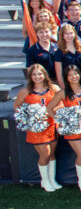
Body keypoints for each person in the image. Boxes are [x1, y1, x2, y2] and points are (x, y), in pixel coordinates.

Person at [47, 64, 81, 193]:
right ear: (66, 78)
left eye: (76, 73)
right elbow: (49, 109)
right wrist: (62, 121)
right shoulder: (63, 93)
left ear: (80, 74)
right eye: (70, 75)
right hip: (73, 129)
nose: (74, 77)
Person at [16, 64, 59, 192]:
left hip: (51, 125)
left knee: (51, 154)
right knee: (44, 154)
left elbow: (61, 104)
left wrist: (50, 111)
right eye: (34, 74)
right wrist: (30, 116)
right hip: (36, 129)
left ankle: (52, 180)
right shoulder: (25, 92)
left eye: (40, 74)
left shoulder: (54, 88)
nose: (37, 77)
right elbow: (17, 107)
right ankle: (45, 181)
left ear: (44, 74)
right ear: (30, 77)